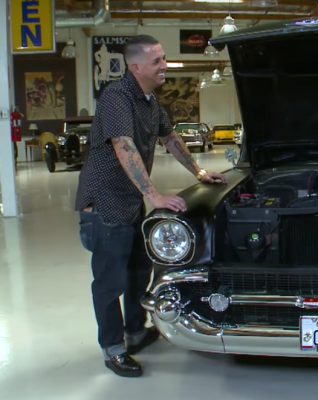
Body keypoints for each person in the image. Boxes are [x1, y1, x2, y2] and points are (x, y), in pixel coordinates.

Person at [74, 34, 227, 378]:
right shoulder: (116, 96)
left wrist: (199, 171)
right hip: (104, 204)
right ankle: (114, 349)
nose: (165, 65)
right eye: (158, 60)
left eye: (164, 59)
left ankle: (135, 331)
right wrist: (154, 196)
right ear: (135, 66)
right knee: (109, 281)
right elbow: (123, 144)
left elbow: (169, 137)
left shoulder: (149, 100)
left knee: (138, 271)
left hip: (128, 204)